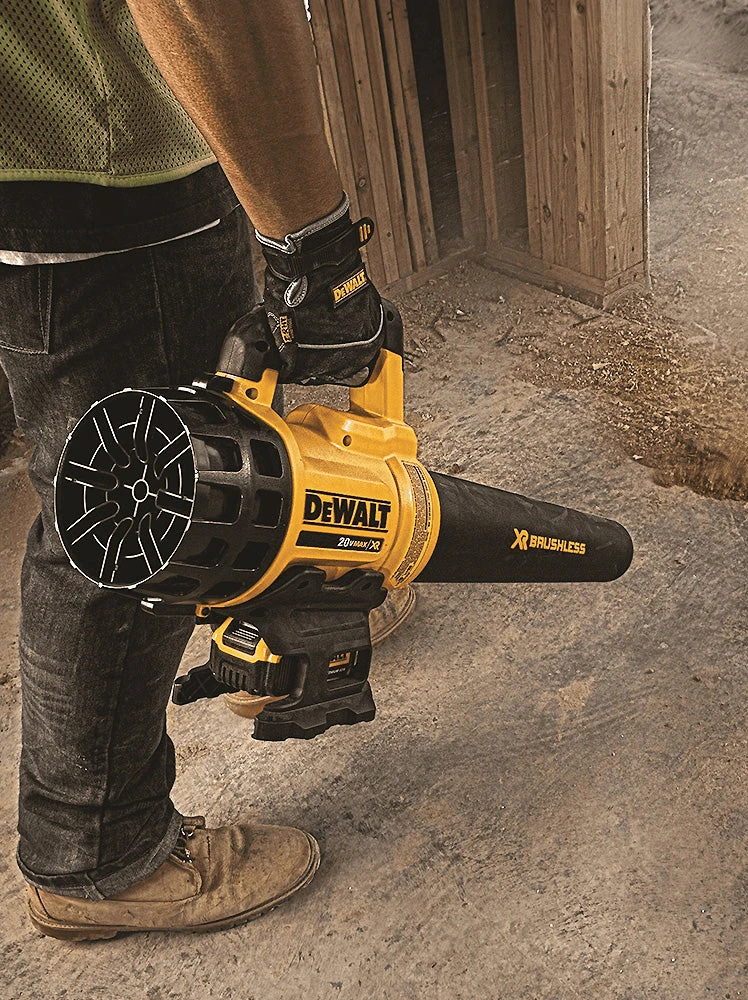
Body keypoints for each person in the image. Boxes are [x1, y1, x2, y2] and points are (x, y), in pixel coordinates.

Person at [0, 0, 412, 940]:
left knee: (223, 459)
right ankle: (97, 853)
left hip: (64, 152)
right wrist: (317, 247)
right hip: (100, 161)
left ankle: (272, 639)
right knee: (127, 510)